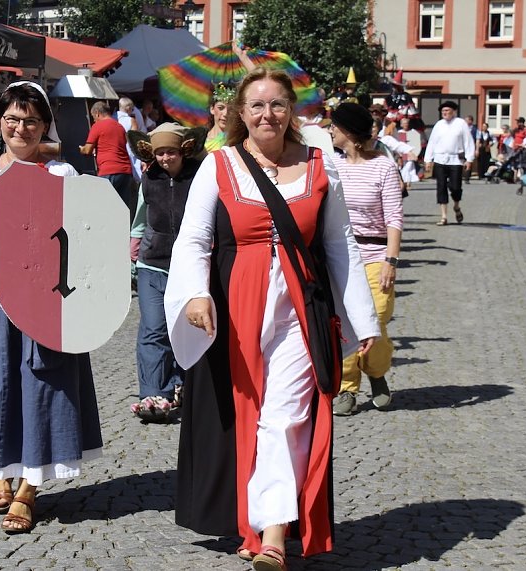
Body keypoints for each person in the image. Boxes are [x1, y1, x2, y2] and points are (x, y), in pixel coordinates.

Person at [163, 67, 380, 569]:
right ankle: (249, 519)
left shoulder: (321, 166)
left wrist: (362, 320)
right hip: (236, 304)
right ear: (240, 113)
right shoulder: (218, 165)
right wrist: (195, 295)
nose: (268, 114)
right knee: (245, 414)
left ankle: (274, 533)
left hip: (300, 307)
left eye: (278, 104)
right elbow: (194, 238)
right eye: (257, 105)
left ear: (293, 111)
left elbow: (339, 244)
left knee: (285, 416)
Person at [0, 82, 103, 534]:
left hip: (41, 292)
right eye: (12, 118)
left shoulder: (62, 176)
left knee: (39, 385)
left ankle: (29, 487)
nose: (21, 127)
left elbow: (81, 246)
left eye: (31, 119)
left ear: (44, 125)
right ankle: (2, 470)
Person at [326, 103, 403, 416]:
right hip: (343, 254)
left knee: (377, 317)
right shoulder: (333, 165)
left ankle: (376, 370)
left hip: (376, 254)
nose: (330, 131)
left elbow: (395, 217)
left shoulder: (384, 167)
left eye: (334, 126)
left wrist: (391, 260)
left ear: (349, 132)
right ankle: (347, 388)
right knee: (346, 322)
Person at [127, 123, 205, 422]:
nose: (164, 159)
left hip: (189, 267)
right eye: (159, 153)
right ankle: (152, 394)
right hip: (152, 263)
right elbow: (139, 219)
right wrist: (133, 253)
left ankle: (184, 387)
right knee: (153, 328)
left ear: (183, 151)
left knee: (186, 329)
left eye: (170, 152)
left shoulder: (199, 176)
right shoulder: (149, 179)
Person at [424, 100, 474, 225]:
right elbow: (432, 142)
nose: (445, 113)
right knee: (441, 187)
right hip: (440, 159)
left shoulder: (461, 123)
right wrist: (428, 159)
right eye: (443, 111)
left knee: (455, 187)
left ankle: (456, 206)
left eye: (447, 110)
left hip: (456, 160)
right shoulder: (439, 125)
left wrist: (469, 159)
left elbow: (468, 141)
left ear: (453, 111)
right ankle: (444, 216)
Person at [79, 101, 134, 209]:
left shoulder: (98, 126)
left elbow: (88, 150)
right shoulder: (120, 127)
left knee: (104, 207)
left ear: (97, 113)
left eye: (93, 117)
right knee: (122, 208)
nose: (94, 120)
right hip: (126, 171)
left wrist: (82, 149)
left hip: (109, 170)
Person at [205, 82, 235, 152]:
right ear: (212, 109)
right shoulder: (201, 138)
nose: (225, 114)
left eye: (231, 109)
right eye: (221, 108)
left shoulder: (236, 141)